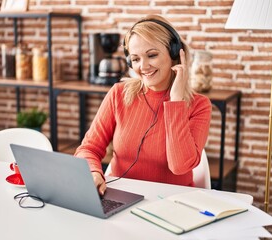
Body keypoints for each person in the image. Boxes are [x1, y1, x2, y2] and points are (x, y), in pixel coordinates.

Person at [75, 15, 212, 195]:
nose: (143, 66)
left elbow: (180, 166)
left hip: (175, 203)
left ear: (174, 53)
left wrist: (176, 102)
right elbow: (88, 149)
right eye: (136, 59)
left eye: (152, 55)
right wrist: (93, 172)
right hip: (122, 198)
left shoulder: (199, 106)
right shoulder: (119, 94)